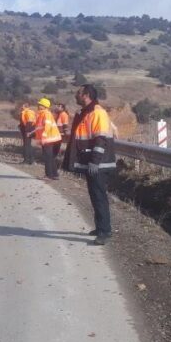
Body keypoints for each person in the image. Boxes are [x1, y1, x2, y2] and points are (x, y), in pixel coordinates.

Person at [62, 84, 117, 245]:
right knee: (95, 195)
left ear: (86, 95)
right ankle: (100, 227)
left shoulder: (97, 113)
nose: (75, 96)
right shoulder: (86, 113)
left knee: (99, 197)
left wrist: (94, 161)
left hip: (98, 164)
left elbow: (101, 139)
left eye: (78, 93)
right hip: (92, 163)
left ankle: (105, 231)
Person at [34, 98, 61, 179]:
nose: (38, 106)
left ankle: (49, 175)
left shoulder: (46, 114)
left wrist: (43, 137)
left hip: (48, 139)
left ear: (45, 106)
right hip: (49, 138)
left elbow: (47, 126)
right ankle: (54, 175)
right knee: (50, 156)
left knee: (48, 157)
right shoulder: (42, 114)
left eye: (40, 105)